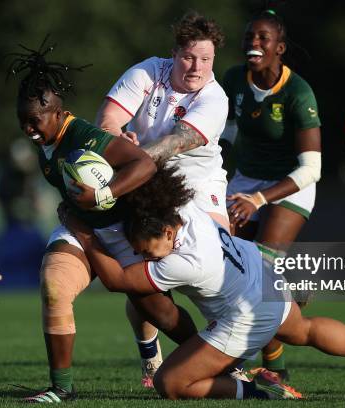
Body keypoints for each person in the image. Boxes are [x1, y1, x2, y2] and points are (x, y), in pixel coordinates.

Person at [59, 165, 345, 400]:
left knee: (170, 384)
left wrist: (81, 229)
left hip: (246, 316)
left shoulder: (185, 263)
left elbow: (117, 280)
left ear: (168, 232)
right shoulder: (182, 209)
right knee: (305, 331)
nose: (148, 256)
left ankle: (258, 392)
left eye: (149, 250)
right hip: (262, 277)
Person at [8, 39, 198, 403]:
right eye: (23, 121)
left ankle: (218, 362)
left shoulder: (84, 136)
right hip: (81, 228)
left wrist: (102, 194)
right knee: (54, 287)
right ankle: (61, 388)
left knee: (158, 311)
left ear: (58, 113)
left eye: (34, 121)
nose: (28, 129)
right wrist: (75, 210)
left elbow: (142, 163)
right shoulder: (44, 142)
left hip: (120, 230)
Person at [94, 11, 229, 386]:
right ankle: (150, 355)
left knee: (221, 274)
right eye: (189, 57)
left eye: (206, 59)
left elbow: (174, 143)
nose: (196, 67)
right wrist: (117, 138)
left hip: (199, 187)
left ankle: (240, 358)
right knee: (143, 279)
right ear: (174, 54)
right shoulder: (147, 72)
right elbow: (106, 120)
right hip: (147, 183)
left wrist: (130, 157)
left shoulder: (215, 97)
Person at [219, 9, 321, 379]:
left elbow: (312, 169)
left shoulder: (298, 91)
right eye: (249, 37)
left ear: (279, 47)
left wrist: (260, 200)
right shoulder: (233, 79)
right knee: (225, 262)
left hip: (290, 184)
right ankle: (274, 362)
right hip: (247, 180)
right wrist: (215, 169)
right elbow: (227, 131)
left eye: (263, 38)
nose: (254, 43)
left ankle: (272, 367)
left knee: (260, 268)